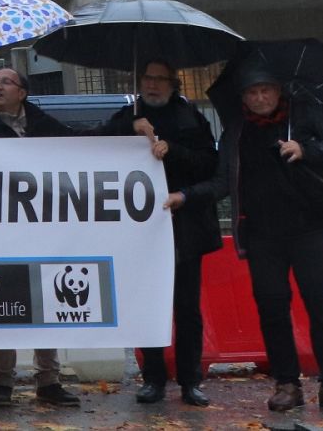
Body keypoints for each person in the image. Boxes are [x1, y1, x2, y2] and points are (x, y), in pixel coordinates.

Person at [179, 66, 323, 413]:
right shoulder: (236, 132)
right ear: (243, 99)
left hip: (312, 229)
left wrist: (306, 149)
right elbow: (222, 181)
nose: (260, 97)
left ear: (279, 92)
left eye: (266, 90)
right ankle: (286, 383)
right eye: (252, 92)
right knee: (272, 309)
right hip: (263, 235)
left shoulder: (305, 119)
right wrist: (187, 196)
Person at [101, 60, 219, 408]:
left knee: (187, 308)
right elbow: (97, 148)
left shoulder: (190, 117)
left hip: (185, 227)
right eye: (147, 78)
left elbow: (209, 165)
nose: (152, 85)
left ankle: (190, 380)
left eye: (159, 79)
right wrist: (129, 129)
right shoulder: (127, 115)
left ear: (173, 83)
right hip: (140, 228)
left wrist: (171, 148)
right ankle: (153, 377)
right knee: (148, 303)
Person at [0, 67, 81, 408]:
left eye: (6, 82)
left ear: (23, 92)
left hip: (42, 228)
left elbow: (83, 143)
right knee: (1, 300)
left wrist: (127, 131)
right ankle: (2, 381)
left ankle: (48, 379)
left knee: (46, 301)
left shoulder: (42, 123)